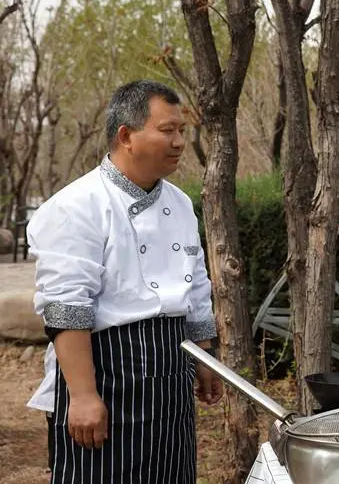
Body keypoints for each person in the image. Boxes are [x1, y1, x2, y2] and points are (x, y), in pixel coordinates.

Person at [26, 80, 222, 483]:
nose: (180, 141)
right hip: (106, 369)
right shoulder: (76, 205)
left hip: (170, 370)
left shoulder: (181, 204)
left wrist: (205, 359)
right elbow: (66, 307)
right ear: (126, 136)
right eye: (167, 130)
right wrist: (82, 395)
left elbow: (197, 288)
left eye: (182, 130)